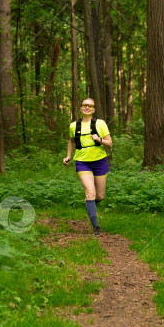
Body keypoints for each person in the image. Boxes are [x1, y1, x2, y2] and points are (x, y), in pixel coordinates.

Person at [63, 98, 112, 235]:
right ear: (80, 108)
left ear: (94, 109)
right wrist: (68, 156)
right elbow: (71, 141)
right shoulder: (73, 126)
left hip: (100, 161)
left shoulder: (100, 123)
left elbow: (110, 143)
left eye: (90, 106)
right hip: (82, 162)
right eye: (84, 105)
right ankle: (96, 227)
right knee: (90, 192)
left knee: (99, 196)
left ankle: (89, 203)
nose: (87, 107)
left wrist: (99, 139)